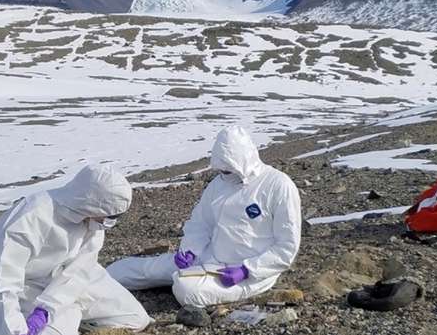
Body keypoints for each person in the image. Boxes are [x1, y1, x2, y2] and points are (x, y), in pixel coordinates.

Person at [108, 126, 302, 308]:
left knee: (186, 290)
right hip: (207, 257)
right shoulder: (219, 184)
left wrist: (247, 270)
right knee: (127, 272)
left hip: (246, 272)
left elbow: (286, 247)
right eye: (222, 167)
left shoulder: (277, 185)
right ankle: (101, 277)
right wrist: (190, 250)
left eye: (229, 167)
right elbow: (201, 223)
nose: (224, 172)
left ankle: (186, 280)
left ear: (243, 158)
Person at [0, 165, 152, 335]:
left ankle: (73, 317)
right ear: (92, 203)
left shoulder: (93, 221)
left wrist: (50, 307)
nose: (108, 221)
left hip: (76, 282)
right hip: (32, 285)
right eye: (109, 216)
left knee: (136, 319)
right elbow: (2, 283)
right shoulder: (30, 218)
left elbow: (81, 269)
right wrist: (12, 326)